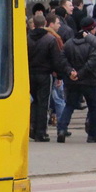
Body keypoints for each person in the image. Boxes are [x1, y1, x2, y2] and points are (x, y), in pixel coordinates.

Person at [27, 13, 73, 142]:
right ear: (46, 24)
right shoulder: (50, 39)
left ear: (34, 24)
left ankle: (32, 128)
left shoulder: (27, 38)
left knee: (33, 102)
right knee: (43, 103)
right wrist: (59, 75)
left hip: (30, 74)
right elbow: (56, 60)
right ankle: (41, 132)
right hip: (44, 74)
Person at [57, 16, 96, 143]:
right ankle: (93, 134)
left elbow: (62, 58)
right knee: (93, 107)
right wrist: (80, 74)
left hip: (72, 80)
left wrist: (71, 72)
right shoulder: (92, 45)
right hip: (89, 80)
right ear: (91, 29)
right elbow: (92, 62)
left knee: (69, 105)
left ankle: (62, 129)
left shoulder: (69, 43)